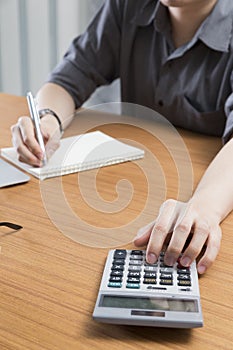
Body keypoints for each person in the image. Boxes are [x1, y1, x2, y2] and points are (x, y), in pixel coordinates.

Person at [11, 0, 233, 274]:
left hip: (216, 190)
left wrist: (206, 208)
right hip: (135, 187)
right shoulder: (127, 5)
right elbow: (71, 76)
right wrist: (47, 119)